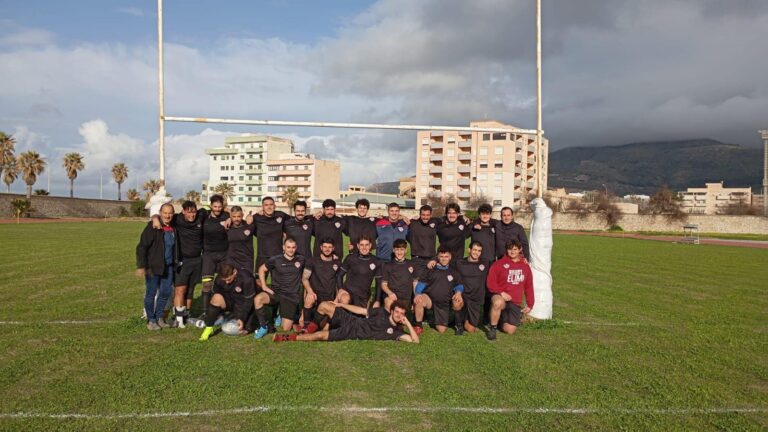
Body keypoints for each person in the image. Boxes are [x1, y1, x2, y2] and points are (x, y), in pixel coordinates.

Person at [150, 200, 205, 328]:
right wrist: (155, 218)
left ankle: (187, 315)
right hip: (182, 260)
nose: (192, 215)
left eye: (194, 212)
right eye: (188, 212)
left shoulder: (202, 214)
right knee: (180, 289)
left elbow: (220, 210)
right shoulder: (177, 219)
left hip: (197, 260)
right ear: (183, 212)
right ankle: (178, 319)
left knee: (190, 290)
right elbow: (162, 215)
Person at [272, 299, 418, 343]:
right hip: (352, 320)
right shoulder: (381, 312)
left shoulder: (397, 332)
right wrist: (342, 305)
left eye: (401, 314)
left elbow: (415, 341)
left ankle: (287, 337)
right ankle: (309, 328)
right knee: (323, 305)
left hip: (352, 331)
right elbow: (361, 311)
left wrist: (409, 324)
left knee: (321, 336)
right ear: (392, 311)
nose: (399, 315)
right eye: (397, 312)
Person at [253, 238, 306, 339]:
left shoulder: (301, 259)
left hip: (291, 296)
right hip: (276, 292)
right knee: (258, 299)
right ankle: (264, 327)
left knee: (286, 328)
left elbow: (312, 266)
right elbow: (261, 269)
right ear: (283, 248)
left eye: (293, 247)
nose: (291, 250)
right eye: (288, 247)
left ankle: (280, 314)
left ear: (296, 248)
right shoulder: (275, 259)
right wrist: (264, 286)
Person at [136, 202, 176, 330]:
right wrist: (142, 266)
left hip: (168, 267)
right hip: (153, 266)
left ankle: (159, 317)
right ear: (160, 213)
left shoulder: (174, 227)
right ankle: (151, 320)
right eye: (165, 213)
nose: (168, 215)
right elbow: (142, 247)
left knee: (165, 292)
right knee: (151, 293)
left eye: (170, 213)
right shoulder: (153, 226)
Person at [485, 240, 534, 340]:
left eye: (515, 249)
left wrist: (530, 304)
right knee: (498, 302)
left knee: (510, 330)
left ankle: (499, 320)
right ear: (506, 250)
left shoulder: (525, 266)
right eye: (509, 249)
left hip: (514, 301)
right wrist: (501, 293)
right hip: (500, 297)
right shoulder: (498, 264)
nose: (512, 251)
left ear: (520, 250)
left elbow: (529, 286)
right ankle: (493, 329)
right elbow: (490, 283)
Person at [412, 247, 465, 334]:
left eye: (446, 256)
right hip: (430, 300)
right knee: (419, 300)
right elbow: (421, 284)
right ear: (438, 257)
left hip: (443, 303)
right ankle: (418, 326)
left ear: (450, 257)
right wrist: (417, 294)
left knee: (441, 330)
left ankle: (457, 324)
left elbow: (459, 285)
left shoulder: (453, 271)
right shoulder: (431, 270)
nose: (444, 259)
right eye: (441, 256)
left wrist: (458, 293)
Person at [198, 262, 257, 341]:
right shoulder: (219, 279)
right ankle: (209, 328)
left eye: (229, 279)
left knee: (240, 331)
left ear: (235, 272)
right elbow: (216, 295)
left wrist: (242, 318)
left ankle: (238, 319)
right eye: (224, 280)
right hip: (230, 302)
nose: (227, 282)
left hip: (243, 306)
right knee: (216, 297)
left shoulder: (247, 278)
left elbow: (249, 302)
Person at [301, 237, 342, 333]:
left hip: (329, 299)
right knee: (309, 297)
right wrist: (310, 292)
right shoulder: (312, 261)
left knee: (323, 327)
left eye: (329, 247)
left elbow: (338, 283)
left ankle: (314, 323)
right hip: (315, 298)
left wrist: (336, 299)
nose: (327, 249)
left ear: (333, 248)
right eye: (325, 247)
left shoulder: (337, 263)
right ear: (321, 247)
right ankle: (306, 326)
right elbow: (304, 279)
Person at [200, 194, 230, 319]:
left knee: (223, 283)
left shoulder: (226, 215)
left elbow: (238, 214)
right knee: (207, 284)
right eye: (215, 206)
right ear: (210, 206)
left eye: (220, 206)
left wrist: (230, 219)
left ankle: (222, 310)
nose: (217, 209)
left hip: (224, 254)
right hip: (208, 255)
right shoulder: (204, 215)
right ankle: (205, 312)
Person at [454, 241, 491, 335]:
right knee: (456, 302)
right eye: (474, 250)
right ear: (469, 250)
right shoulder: (460, 263)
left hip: (476, 299)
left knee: (470, 329)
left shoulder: (485, 263)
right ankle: (458, 325)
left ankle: (464, 317)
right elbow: (446, 266)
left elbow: (498, 267)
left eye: (479, 251)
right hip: (463, 296)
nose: (476, 252)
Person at [337, 236, 381, 308]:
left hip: (363, 296)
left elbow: (378, 282)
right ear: (357, 246)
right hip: (348, 292)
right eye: (361, 245)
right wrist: (340, 289)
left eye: (366, 245)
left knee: (361, 318)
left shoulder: (376, 261)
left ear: (370, 245)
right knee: (344, 300)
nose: (364, 247)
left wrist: (377, 301)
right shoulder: (350, 258)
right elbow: (339, 275)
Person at [380, 239, 418, 312]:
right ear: (393, 250)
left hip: (406, 299)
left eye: (402, 249)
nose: (399, 252)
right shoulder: (387, 265)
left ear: (406, 250)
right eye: (397, 250)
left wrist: (415, 296)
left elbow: (415, 283)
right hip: (392, 297)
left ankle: (416, 322)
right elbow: (383, 285)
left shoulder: (411, 264)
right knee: (388, 301)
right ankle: (386, 322)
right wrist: (390, 293)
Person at [406, 204, 441, 279]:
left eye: (427, 215)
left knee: (431, 282)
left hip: (431, 258)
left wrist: (463, 217)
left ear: (431, 215)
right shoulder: (413, 223)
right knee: (417, 282)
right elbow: (398, 219)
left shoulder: (435, 222)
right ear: (419, 214)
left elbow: (448, 218)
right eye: (423, 215)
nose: (425, 217)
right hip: (417, 259)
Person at [225, 206, 255, 275]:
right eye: (234, 216)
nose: (236, 219)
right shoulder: (227, 226)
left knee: (246, 282)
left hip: (246, 260)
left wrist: (250, 215)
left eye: (239, 216)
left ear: (242, 215)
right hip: (231, 260)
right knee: (232, 283)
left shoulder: (249, 225)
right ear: (230, 216)